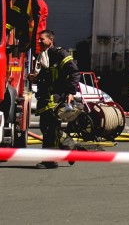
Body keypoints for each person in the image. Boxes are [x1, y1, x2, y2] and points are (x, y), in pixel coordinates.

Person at [34, 29, 82, 167]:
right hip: (44, 97)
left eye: (42, 39)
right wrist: (35, 78)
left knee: (50, 128)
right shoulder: (42, 55)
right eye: (39, 39)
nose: (39, 41)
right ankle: (72, 148)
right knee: (47, 128)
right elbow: (45, 76)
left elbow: (74, 72)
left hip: (55, 98)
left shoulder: (60, 54)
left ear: (50, 40)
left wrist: (70, 92)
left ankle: (50, 160)